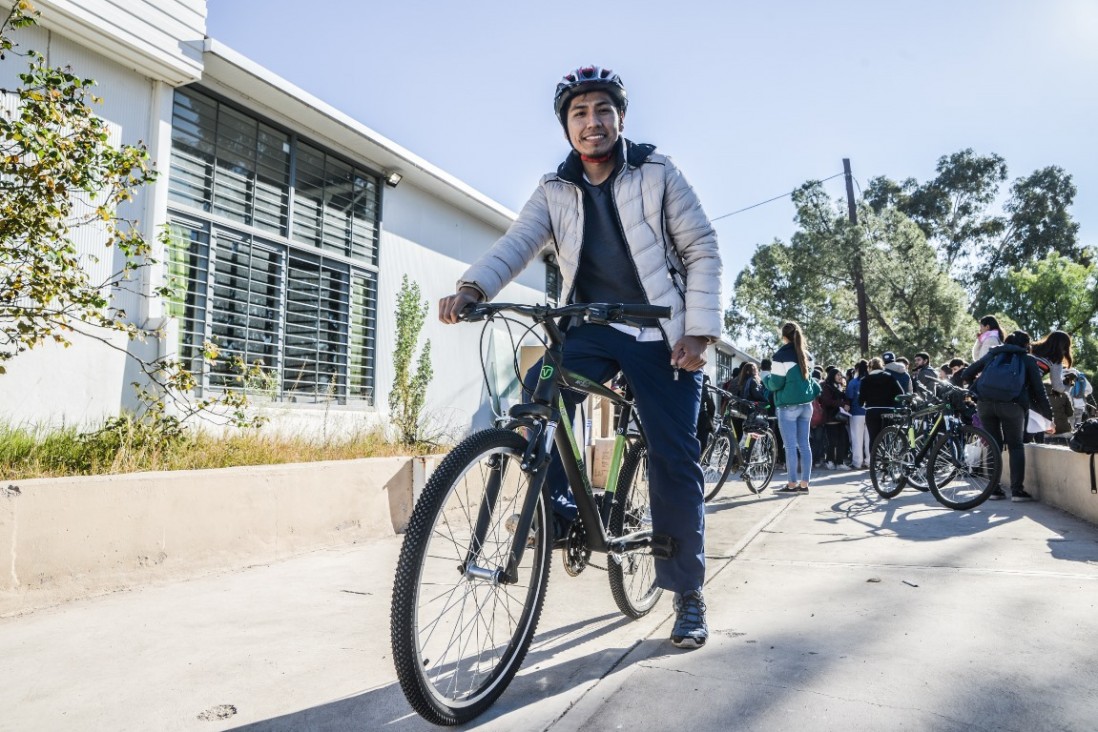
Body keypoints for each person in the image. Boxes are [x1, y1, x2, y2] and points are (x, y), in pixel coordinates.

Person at [439, 65, 721, 649]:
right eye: (579, 113)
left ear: (620, 119)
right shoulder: (553, 189)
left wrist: (698, 333)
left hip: (659, 331)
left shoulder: (658, 171)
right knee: (542, 399)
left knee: (674, 456)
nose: (592, 123)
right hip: (587, 326)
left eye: (602, 111)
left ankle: (687, 593)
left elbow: (701, 249)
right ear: (566, 126)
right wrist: (474, 288)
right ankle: (563, 507)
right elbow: (518, 242)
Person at [962, 331, 1052, 501]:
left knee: (992, 445)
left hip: (985, 404)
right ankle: (1017, 492)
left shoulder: (993, 354)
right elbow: (1040, 392)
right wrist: (1048, 418)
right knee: (1015, 446)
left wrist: (983, 386)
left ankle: (994, 490)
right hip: (1013, 406)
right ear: (1027, 345)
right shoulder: (1028, 359)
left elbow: (966, 374)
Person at [763, 322, 819, 494]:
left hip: (788, 406)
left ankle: (792, 484)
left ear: (783, 336)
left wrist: (765, 381)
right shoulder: (807, 355)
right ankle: (805, 484)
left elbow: (776, 383)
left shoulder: (780, 355)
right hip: (806, 405)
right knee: (804, 444)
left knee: (789, 446)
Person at [858, 357, 904, 447]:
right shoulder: (890, 377)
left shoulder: (865, 380)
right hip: (888, 410)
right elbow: (900, 393)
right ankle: (889, 457)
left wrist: (862, 403)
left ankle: (875, 459)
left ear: (869, 367)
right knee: (888, 437)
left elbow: (861, 399)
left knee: (874, 439)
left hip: (872, 411)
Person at [819, 367, 850, 469]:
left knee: (842, 440)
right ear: (832, 375)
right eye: (837, 375)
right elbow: (827, 401)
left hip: (841, 417)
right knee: (832, 441)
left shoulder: (841, 386)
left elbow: (845, 398)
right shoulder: (826, 386)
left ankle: (840, 462)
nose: (840, 377)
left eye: (840, 375)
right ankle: (829, 460)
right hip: (831, 417)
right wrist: (841, 404)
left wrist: (846, 404)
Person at [846, 359, 871, 469]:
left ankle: (857, 462)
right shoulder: (872, 380)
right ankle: (869, 461)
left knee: (857, 438)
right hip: (870, 412)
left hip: (856, 412)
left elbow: (849, 396)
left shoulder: (853, 382)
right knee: (869, 438)